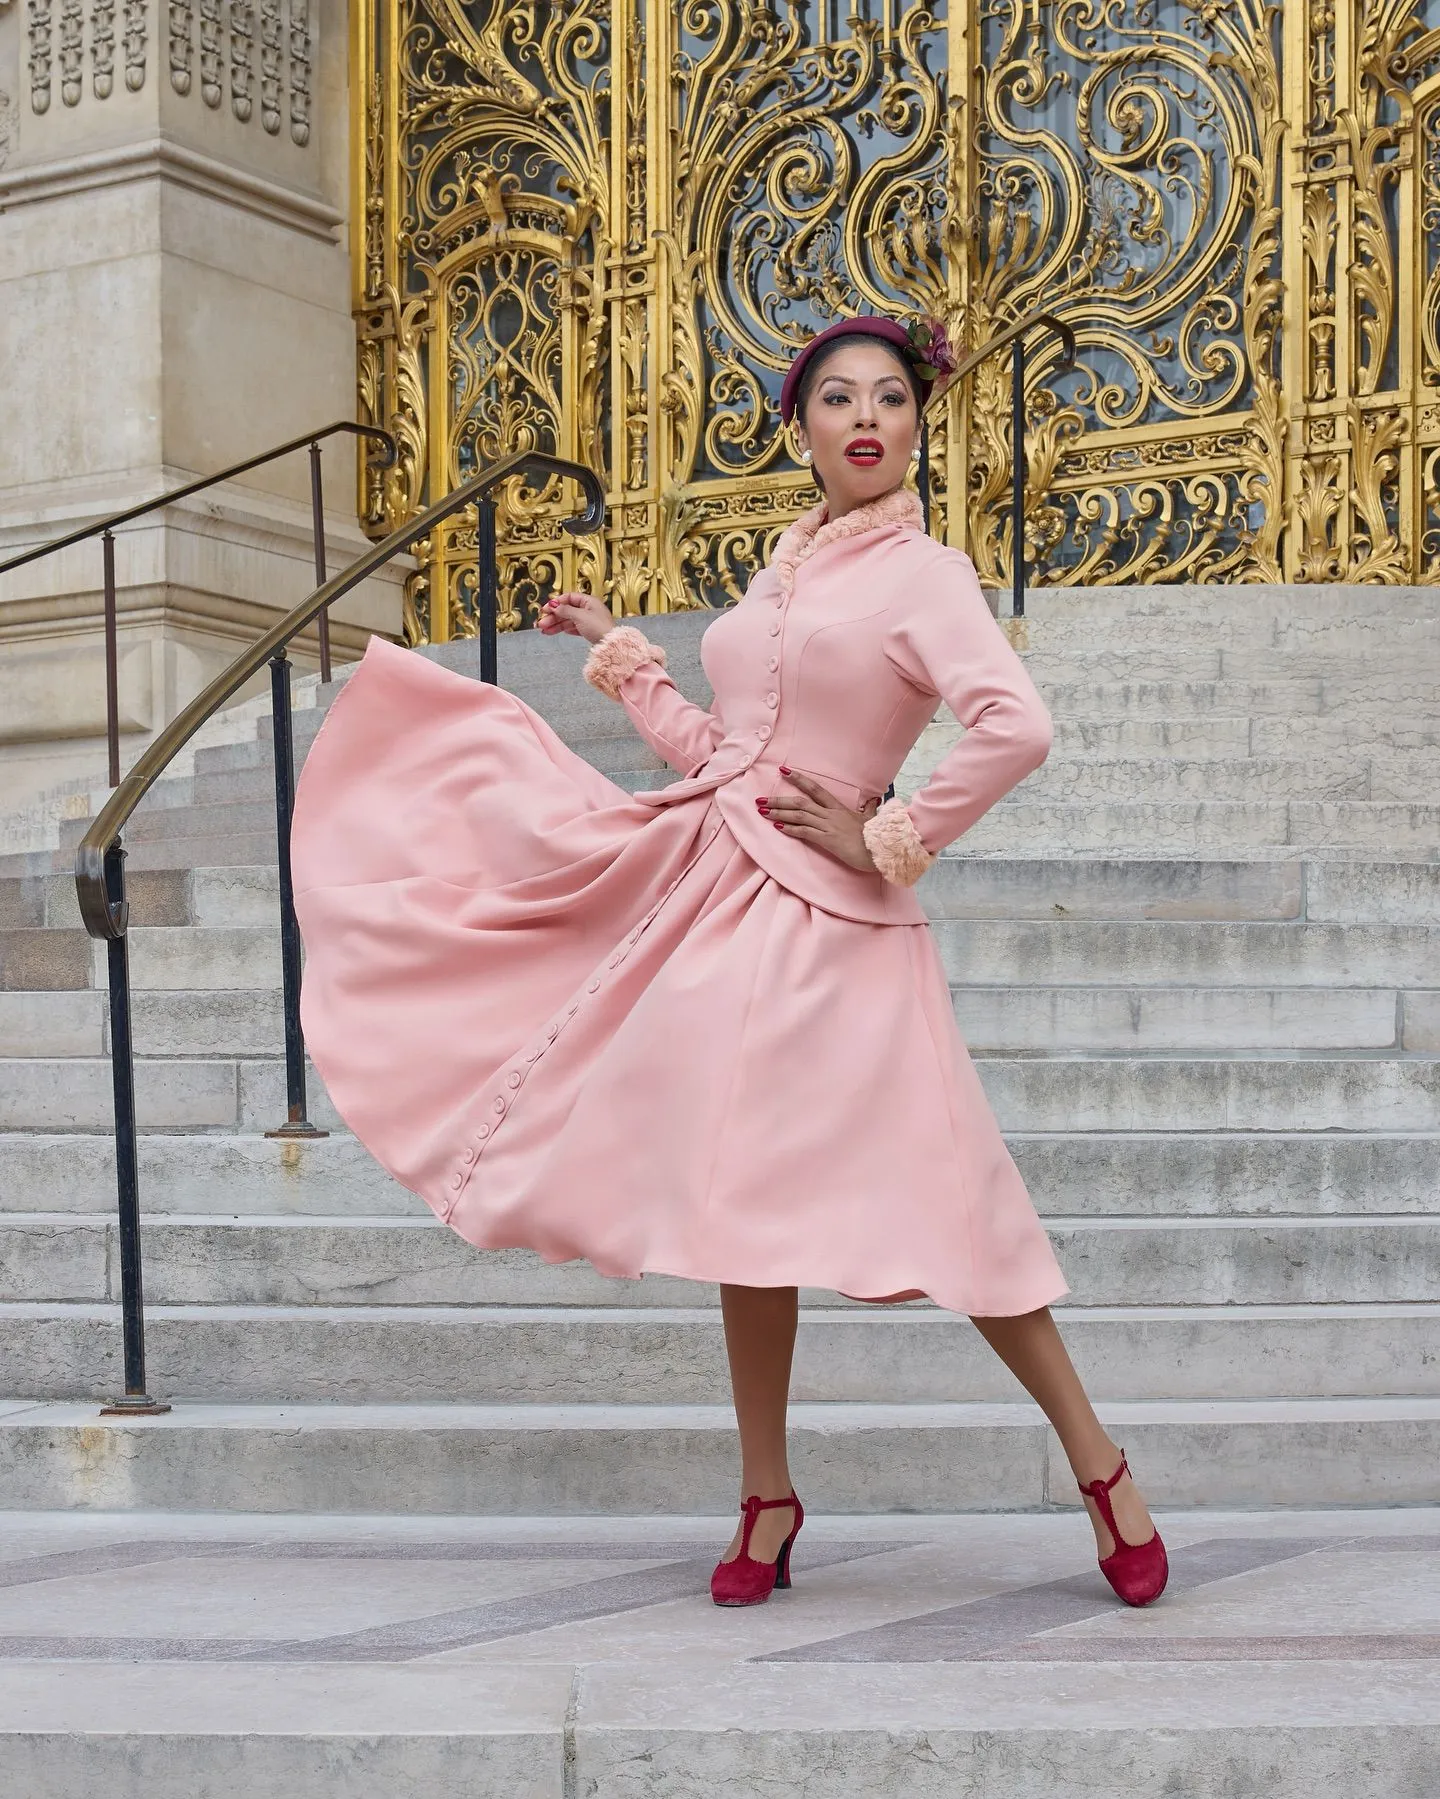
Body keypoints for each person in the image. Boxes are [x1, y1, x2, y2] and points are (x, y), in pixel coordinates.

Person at [288, 312, 1167, 1614]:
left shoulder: (926, 575)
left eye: (889, 399)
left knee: (959, 1208)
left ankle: (1102, 1470)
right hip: (717, 894)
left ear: (918, 422)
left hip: (842, 930)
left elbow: (1013, 723)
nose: (866, 418)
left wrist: (891, 834)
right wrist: (622, 650)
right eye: (837, 399)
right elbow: (726, 753)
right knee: (744, 1209)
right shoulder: (784, 572)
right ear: (801, 429)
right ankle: (767, 1490)